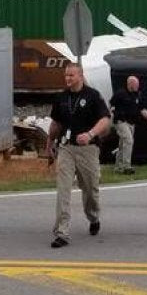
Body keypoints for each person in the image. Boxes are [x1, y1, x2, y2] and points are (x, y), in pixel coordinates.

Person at [46, 62, 111, 248]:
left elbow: (105, 120)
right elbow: (56, 124)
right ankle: (62, 232)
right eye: (66, 75)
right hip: (66, 148)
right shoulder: (61, 98)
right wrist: (49, 143)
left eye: (71, 75)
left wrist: (90, 134)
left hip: (88, 150)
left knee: (90, 189)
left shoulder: (93, 96)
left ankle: (93, 217)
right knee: (63, 189)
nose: (68, 78)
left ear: (80, 76)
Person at [109, 75, 147, 175]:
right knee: (129, 140)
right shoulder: (120, 93)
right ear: (130, 84)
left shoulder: (137, 95)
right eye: (136, 84)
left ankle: (118, 167)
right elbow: (111, 104)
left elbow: (142, 109)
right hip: (121, 121)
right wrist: (111, 114)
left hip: (131, 123)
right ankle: (127, 166)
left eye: (138, 84)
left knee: (123, 145)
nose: (137, 86)